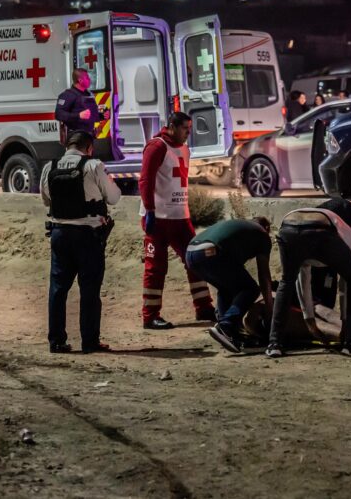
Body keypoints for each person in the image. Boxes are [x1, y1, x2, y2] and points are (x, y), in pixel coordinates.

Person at [40, 131, 121, 354]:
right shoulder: (94, 166)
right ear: (89, 147)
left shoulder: (50, 167)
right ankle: (89, 341)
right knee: (89, 290)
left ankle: (56, 341)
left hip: (59, 233)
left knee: (57, 289)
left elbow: (46, 199)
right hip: (88, 235)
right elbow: (114, 197)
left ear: (67, 146)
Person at [139, 112, 216, 329]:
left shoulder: (183, 148)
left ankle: (204, 308)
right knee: (156, 267)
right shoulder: (156, 146)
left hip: (180, 217)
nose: (188, 134)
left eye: (189, 130)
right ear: (172, 126)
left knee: (196, 261)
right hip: (159, 217)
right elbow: (145, 180)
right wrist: (150, 210)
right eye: (185, 129)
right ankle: (150, 315)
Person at [267, 199, 351, 357]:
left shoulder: (322, 214)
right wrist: (346, 325)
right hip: (321, 230)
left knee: (286, 281)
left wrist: (309, 321)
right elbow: (346, 282)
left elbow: (302, 279)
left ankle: (274, 343)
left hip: (287, 226)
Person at [185, 217, 274, 353]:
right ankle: (226, 326)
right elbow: (264, 275)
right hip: (212, 251)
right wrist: (270, 309)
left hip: (191, 253)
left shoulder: (239, 228)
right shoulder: (262, 234)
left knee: (226, 288)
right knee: (250, 289)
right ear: (266, 228)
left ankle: (228, 333)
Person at [55, 68, 109, 142]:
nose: (89, 80)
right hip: (75, 138)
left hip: (90, 136)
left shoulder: (89, 94)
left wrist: (102, 116)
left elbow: (90, 115)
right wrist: (78, 115)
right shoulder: (67, 95)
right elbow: (59, 114)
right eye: (87, 78)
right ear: (80, 80)